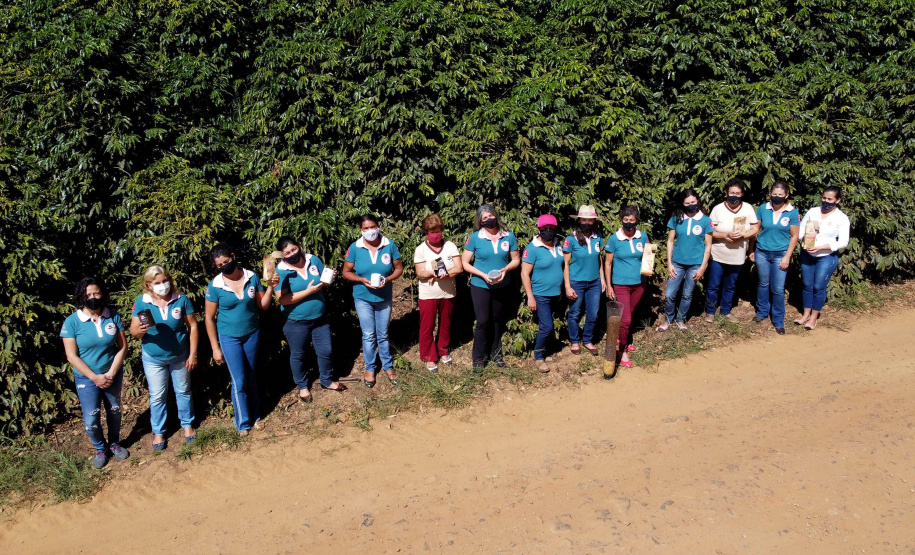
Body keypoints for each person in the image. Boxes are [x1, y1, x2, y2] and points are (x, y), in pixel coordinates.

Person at [204, 243, 278, 434]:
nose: (224, 266)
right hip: (229, 338)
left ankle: (256, 416)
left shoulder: (252, 277)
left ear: (233, 257)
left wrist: (270, 288)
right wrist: (215, 347)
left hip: (252, 333)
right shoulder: (215, 286)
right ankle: (242, 422)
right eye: (219, 265)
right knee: (239, 379)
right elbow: (209, 318)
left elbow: (263, 305)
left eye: (226, 262)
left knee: (251, 375)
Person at [60, 277, 129, 469]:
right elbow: (71, 356)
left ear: (102, 293)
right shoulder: (72, 322)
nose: (92, 297)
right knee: (91, 417)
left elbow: (122, 347)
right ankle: (100, 448)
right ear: (81, 296)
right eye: (88, 294)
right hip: (87, 378)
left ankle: (114, 443)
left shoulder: (112, 316)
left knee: (114, 410)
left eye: (96, 293)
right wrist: (95, 377)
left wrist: (112, 372)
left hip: (111, 374)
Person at [130, 266, 198, 450]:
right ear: (148, 285)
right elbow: (133, 331)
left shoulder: (181, 299)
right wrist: (139, 331)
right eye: (157, 283)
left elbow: (193, 326)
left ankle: (187, 425)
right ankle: (159, 431)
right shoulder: (142, 303)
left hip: (180, 355)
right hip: (153, 358)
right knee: (157, 396)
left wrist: (193, 354)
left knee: (183, 391)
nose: (162, 285)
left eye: (165, 281)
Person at [276, 236, 348, 400]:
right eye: (287, 253)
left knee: (325, 350)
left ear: (298, 246)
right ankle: (302, 386)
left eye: (294, 249)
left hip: (320, 317)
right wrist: (309, 291)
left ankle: (326, 380)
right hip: (295, 321)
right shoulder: (281, 271)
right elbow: (282, 299)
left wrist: (330, 278)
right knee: (298, 354)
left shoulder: (312, 260)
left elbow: (323, 283)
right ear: (282, 255)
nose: (292, 253)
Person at [342, 215, 404, 387]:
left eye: (373, 227)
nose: (370, 231)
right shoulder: (355, 247)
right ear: (361, 230)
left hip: (384, 297)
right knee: (369, 335)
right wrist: (361, 279)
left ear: (378, 227)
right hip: (363, 297)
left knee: (383, 333)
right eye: (366, 228)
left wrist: (389, 279)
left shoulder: (389, 245)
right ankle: (370, 367)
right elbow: (345, 272)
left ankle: (387, 365)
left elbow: (399, 268)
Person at [461, 204, 521, 369]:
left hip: (502, 285)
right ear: (480, 222)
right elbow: (464, 263)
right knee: (482, 321)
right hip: (480, 285)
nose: (489, 219)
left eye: (491, 216)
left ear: (496, 216)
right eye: (485, 218)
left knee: (497, 320)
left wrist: (506, 270)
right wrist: (482, 275)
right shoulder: (475, 238)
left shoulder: (508, 236)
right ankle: (479, 360)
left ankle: (496, 354)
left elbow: (516, 260)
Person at [413, 213, 463, 372]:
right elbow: (420, 272)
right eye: (431, 231)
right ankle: (429, 356)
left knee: (446, 323)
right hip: (428, 294)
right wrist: (432, 274)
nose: (435, 235)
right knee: (427, 325)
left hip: (448, 292)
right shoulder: (420, 249)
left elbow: (459, 268)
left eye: (438, 230)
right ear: (426, 233)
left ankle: (443, 349)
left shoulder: (450, 246)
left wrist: (447, 275)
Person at [705, 178, 760, 322]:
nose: (734, 195)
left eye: (737, 193)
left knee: (730, 285)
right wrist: (725, 235)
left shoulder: (747, 208)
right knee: (713, 285)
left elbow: (755, 228)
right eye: (731, 192)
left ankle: (726, 311)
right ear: (726, 193)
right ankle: (710, 312)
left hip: (737, 256)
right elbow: (709, 231)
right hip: (718, 254)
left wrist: (743, 236)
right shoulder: (718, 209)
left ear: (742, 194)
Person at [796, 186, 850, 330]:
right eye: (824, 198)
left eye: (830, 199)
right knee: (807, 285)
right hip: (807, 254)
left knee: (819, 287)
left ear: (837, 200)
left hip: (826, 257)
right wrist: (803, 240)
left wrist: (822, 247)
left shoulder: (841, 218)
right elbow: (801, 228)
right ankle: (806, 314)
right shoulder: (813, 211)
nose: (826, 201)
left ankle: (814, 318)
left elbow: (843, 242)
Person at [749, 181, 800, 334]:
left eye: (780, 195)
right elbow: (755, 229)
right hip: (762, 252)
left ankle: (778, 319)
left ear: (786, 195)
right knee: (763, 283)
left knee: (778, 288)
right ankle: (762, 312)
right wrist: (751, 249)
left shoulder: (792, 212)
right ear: (770, 194)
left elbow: (794, 236)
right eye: (774, 194)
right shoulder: (763, 209)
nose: (777, 197)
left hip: (780, 254)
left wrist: (787, 256)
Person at [659, 189, 713, 331]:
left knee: (687, 294)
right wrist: (669, 263)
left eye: (693, 202)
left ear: (698, 201)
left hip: (695, 264)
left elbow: (708, 246)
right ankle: (668, 319)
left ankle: (681, 320)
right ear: (683, 204)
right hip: (677, 263)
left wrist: (702, 267)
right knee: (670, 294)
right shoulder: (676, 218)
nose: (691, 205)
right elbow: (670, 242)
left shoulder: (706, 221)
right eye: (687, 203)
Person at [604, 206, 649, 368]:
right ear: (621, 220)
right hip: (621, 284)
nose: (629, 223)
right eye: (626, 219)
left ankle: (622, 338)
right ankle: (622, 350)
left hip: (640, 283)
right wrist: (609, 285)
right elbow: (608, 264)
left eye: (632, 220)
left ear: (637, 220)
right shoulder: (614, 239)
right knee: (627, 318)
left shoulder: (643, 237)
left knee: (629, 316)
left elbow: (648, 256)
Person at [521, 214, 565, 372]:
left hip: (555, 293)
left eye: (552, 228)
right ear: (539, 230)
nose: (548, 231)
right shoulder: (532, 249)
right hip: (540, 294)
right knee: (547, 326)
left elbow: (561, 267)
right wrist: (530, 297)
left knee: (549, 324)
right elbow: (524, 274)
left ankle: (546, 350)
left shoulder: (558, 244)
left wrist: (560, 289)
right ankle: (538, 356)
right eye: (545, 229)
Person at [563, 205, 605, 355]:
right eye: (584, 220)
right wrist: (567, 286)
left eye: (590, 220)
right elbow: (566, 264)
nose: (586, 222)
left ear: (594, 221)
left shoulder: (597, 237)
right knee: (574, 313)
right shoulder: (571, 239)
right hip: (577, 282)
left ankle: (587, 339)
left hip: (594, 282)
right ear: (579, 220)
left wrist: (603, 279)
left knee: (593, 313)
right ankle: (574, 341)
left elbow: (599, 258)